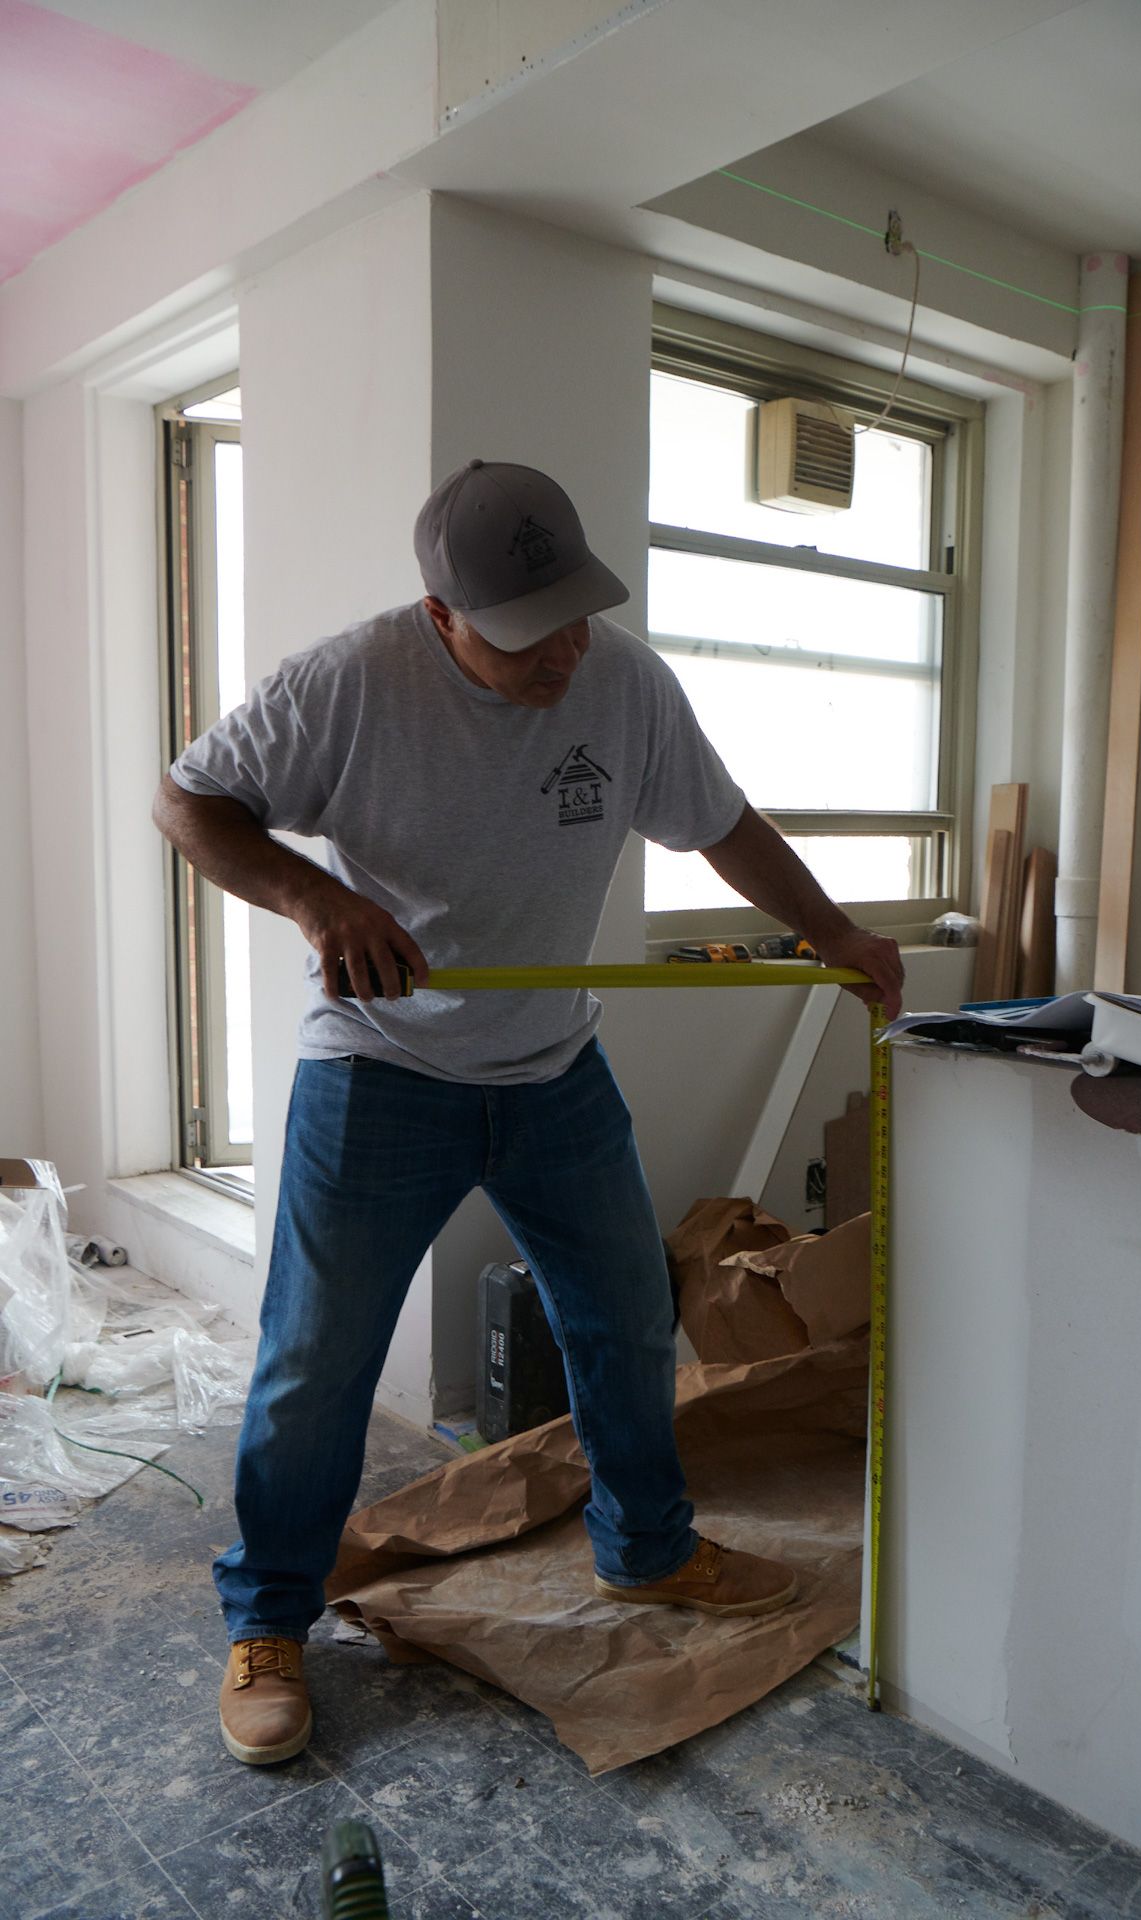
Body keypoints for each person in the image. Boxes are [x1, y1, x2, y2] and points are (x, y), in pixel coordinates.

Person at [154, 458, 904, 1767]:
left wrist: (834, 929)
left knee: (624, 1317)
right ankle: (271, 1618)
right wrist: (316, 903)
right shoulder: (347, 685)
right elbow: (188, 800)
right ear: (441, 615)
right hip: (379, 1069)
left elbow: (720, 823)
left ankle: (648, 1553)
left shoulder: (623, 683)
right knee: (313, 1367)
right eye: (522, 633)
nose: (562, 652)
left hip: (555, 1070)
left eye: (573, 613)